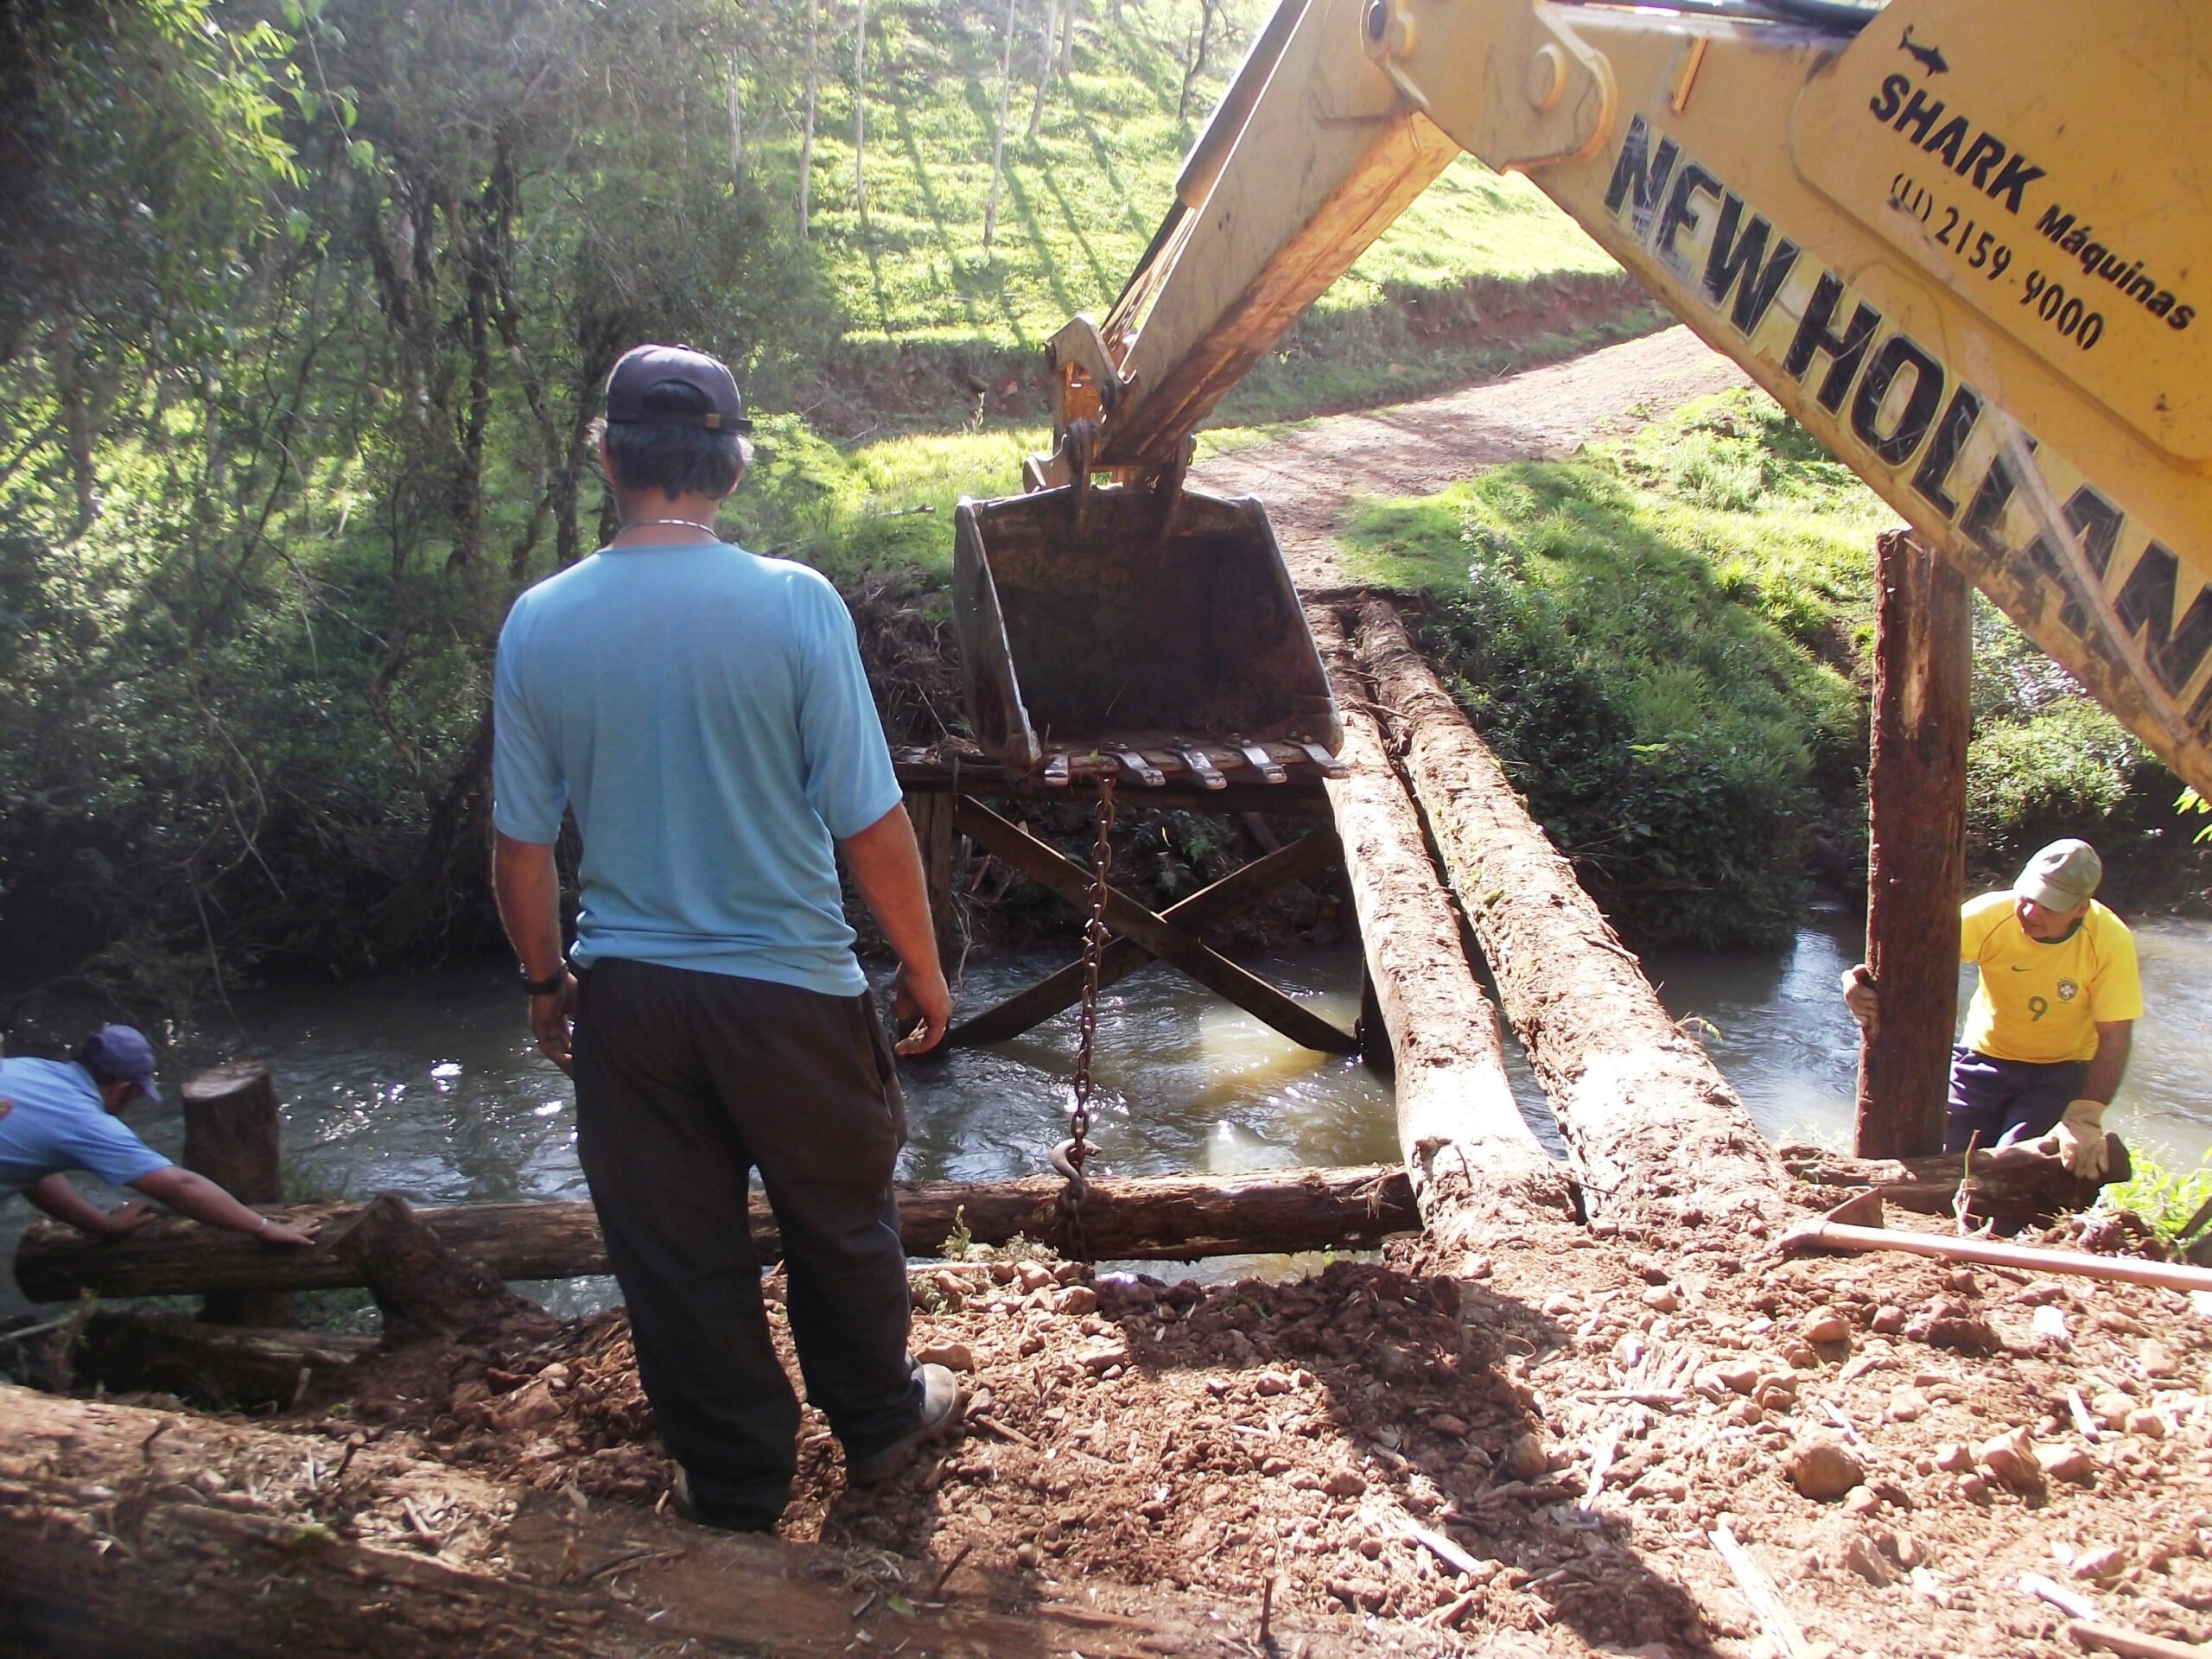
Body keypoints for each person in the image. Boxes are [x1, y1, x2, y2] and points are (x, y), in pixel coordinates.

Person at [491, 343, 958, 1535]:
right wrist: (921, 961)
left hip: (632, 998)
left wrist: (547, 980)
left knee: (677, 1251)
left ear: (607, 456)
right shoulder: (793, 603)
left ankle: (738, 1477)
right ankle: (879, 1424)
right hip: (790, 991)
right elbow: (870, 822)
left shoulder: (539, 622)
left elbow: (524, 849)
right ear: (732, 467)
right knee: (839, 1218)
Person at [1841, 838, 2140, 1178]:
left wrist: (2085, 1114)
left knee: (2018, 1162)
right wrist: (1858, 980)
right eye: (2028, 898)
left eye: (2050, 907)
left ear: (2080, 909)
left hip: (2060, 1071)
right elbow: (1910, 960)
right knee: (1945, 1159)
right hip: (1982, 1059)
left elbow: (2115, 1035)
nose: (2030, 913)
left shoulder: (2109, 940)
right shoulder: (1991, 916)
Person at [0, 1025, 318, 1244]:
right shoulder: (83, 1121)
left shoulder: (27, 1070)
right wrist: (264, 1227)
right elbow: (180, 1187)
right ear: (124, 1089)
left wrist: (101, 1225)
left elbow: (32, 1168)